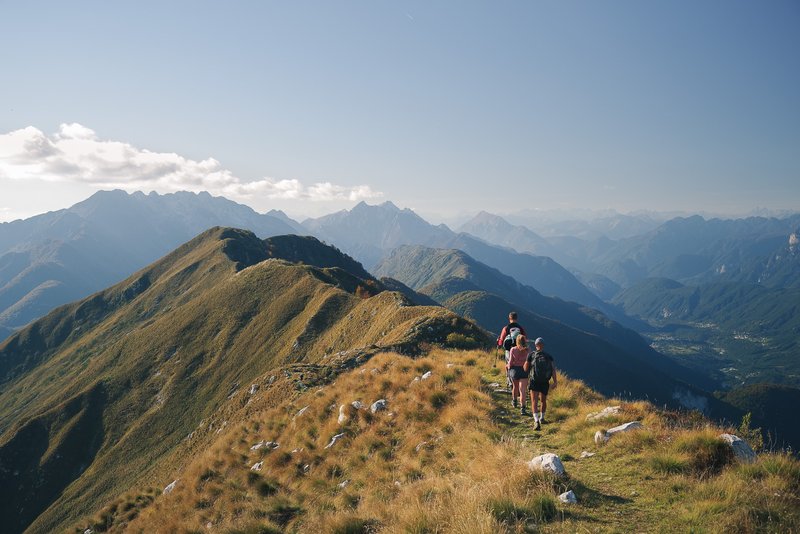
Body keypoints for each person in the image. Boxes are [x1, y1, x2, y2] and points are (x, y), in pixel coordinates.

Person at [525, 337, 557, 430]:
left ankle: (536, 421)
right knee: (543, 400)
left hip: (534, 381)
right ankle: (542, 418)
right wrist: (555, 382)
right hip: (544, 382)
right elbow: (553, 370)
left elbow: (525, 369)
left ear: (535, 345)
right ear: (543, 345)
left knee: (534, 401)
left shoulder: (531, 355)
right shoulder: (548, 356)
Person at [497, 312, 526, 388]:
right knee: (519, 365)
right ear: (516, 318)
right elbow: (524, 338)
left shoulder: (506, 328)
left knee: (509, 365)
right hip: (519, 349)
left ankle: (510, 382)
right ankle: (519, 382)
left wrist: (499, 343)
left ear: (509, 318)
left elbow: (501, 340)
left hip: (509, 350)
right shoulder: (520, 328)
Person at [506, 334, 531, 414]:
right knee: (523, 390)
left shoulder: (513, 349)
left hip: (515, 370)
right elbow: (529, 362)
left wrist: (508, 367)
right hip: (524, 370)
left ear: (517, 341)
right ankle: (523, 409)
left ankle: (514, 402)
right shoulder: (528, 350)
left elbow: (510, 362)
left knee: (515, 387)